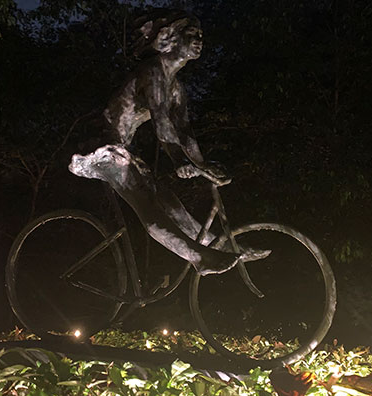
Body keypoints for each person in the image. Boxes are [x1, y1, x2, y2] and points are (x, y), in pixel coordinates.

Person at [69, 10, 269, 275]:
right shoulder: (153, 71)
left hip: (122, 147)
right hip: (101, 143)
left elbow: (184, 132)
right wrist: (179, 162)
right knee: (148, 206)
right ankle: (199, 258)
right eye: (191, 35)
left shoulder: (176, 88)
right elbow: (161, 122)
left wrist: (203, 166)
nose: (199, 40)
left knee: (169, 200)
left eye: (200, 35)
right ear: (173, 39)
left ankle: (221, 246)